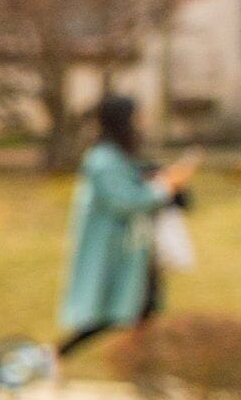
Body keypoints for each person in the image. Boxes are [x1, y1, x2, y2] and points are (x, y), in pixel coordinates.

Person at [55, 94, 193, 358]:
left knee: (142, 309)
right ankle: (53, 355)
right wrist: (165, 187)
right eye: (138, 116)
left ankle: (143, 368)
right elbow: (125, 200)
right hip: (114, 252)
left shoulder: (118, 155)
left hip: (133, 250)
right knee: (115, 310)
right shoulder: (102, 160)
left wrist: (164, 177)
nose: (143, 122)